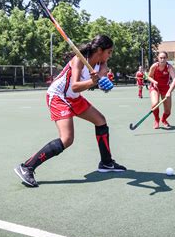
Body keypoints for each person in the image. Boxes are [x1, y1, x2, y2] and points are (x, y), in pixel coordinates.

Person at [14, 35, 126, 187]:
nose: (110, 55)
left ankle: (106, 163)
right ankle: (27, 167)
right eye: (109, 52)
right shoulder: (79, 60)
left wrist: (102, 83)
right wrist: (93, 81)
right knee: (67, 139)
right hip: (58, 95)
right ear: (100, 50)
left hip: (74, 97)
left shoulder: (102, 64)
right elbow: (75, 86)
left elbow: (98, 82)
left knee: (101, 120)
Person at [147, 51, 175, 129]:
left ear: (167, 58)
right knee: (155, 104)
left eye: (164, 58)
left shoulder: (169, 67)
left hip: (165, 88)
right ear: (158, 58)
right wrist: (154, 81)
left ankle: (164, 120)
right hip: (155, 87)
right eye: (161, 58)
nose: (162, 59)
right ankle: (156, 120)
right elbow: (149, 76)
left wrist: (169, 92)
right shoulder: (154, 66)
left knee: (168, 111)